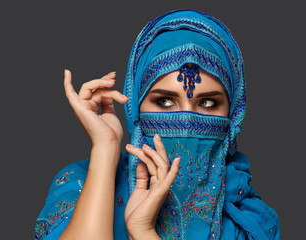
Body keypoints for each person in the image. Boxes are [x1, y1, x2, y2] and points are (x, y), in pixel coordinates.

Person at [35, 9, 280, 240]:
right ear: (136, 110)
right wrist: (105, 149)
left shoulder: (249, 219)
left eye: (207, 103)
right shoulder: (81, 184)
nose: (186, 121)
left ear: (233, 114)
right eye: (164, 101)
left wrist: (143, 232)